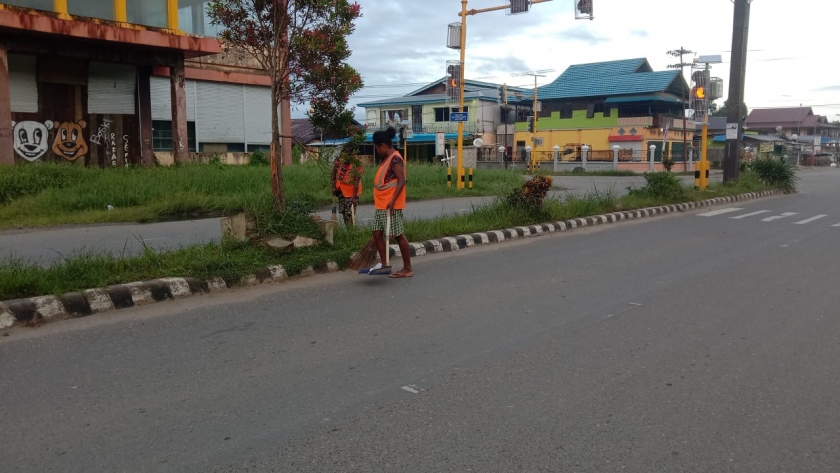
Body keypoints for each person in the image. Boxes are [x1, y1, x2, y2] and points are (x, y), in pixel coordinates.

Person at [371, 127, 413, 278]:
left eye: (376, 147)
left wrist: (393, 201)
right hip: (381, 204)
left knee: (398, 235)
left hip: (391, 204)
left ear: (383, 145)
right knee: (376, 233)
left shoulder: (396, 158)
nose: (376, 150)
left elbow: (402, 181)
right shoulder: (387, 159)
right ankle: (384, 265)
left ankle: (407, 268)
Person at [330, 145, 363, 226]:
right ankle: (348, 230)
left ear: (352, 154)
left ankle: (351, 231)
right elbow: (333, 173)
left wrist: (354, 198)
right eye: (345, 154)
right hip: (341, 190)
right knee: (344, 212)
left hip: (352, 192)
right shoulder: (340, 160)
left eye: (348, 155)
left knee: (350, 213)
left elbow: (356, 182)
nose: (346, 157)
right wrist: (333, 186)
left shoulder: (357, 164)